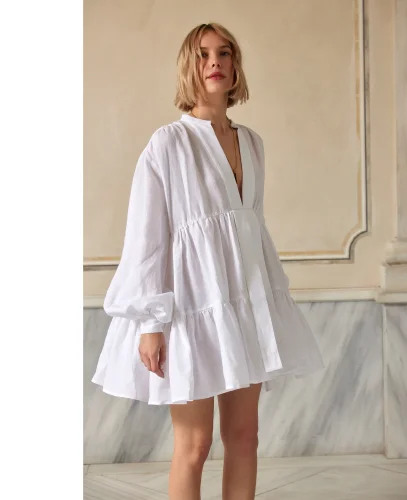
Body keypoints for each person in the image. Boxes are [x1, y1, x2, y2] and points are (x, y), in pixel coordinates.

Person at [92, 22, 324, 500]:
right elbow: (147, 237)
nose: (214, 62)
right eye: (202, 54)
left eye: (224, 52)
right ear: (188, 66)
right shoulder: (168, 144)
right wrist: (151, 322)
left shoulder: (253, 143)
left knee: (245, 437)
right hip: (190, 310)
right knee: (194, 445)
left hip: (243, 305)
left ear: (236, 65)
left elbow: (249, 229)